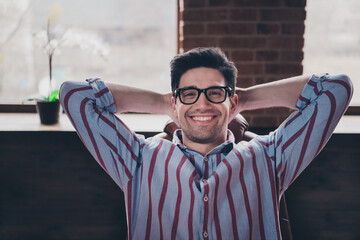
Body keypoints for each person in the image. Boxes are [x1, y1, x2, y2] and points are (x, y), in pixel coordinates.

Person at [60, 47, 353, 240]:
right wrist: (163, 102)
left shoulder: (270, 158)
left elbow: (334, 89)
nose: (202, 103)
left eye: (214, 93)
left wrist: (246, 98)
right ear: (175, 103)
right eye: (189, 94)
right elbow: (76, 96)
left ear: (233, 101)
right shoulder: (136, 160)